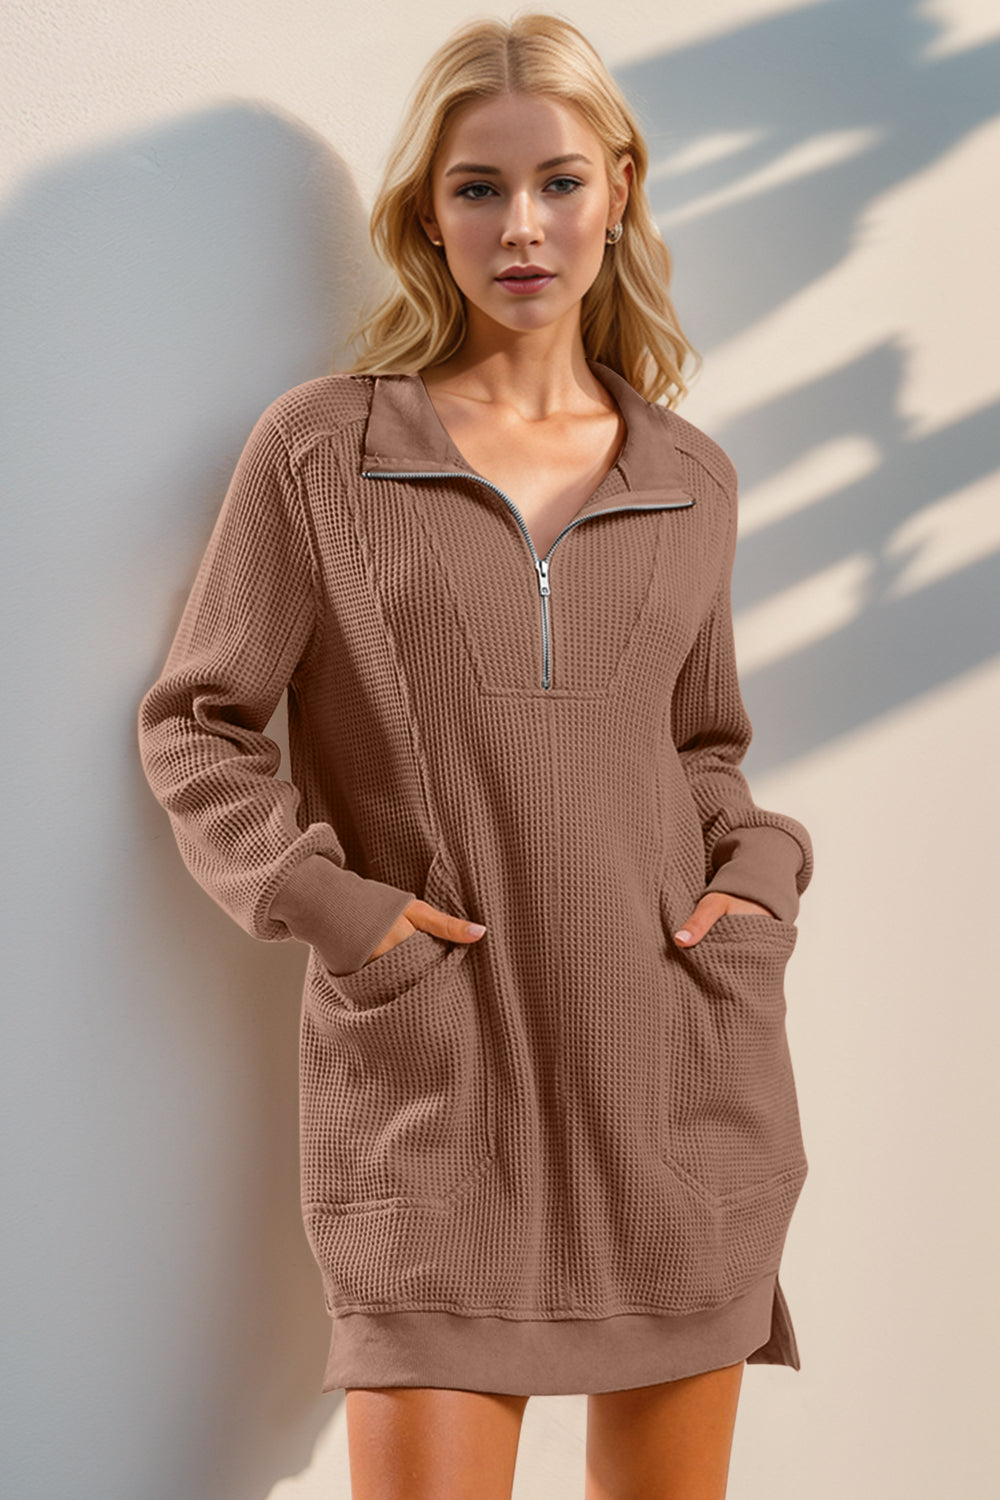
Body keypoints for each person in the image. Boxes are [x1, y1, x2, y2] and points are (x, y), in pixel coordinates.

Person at [137, 13, 815, 1499]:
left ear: (619, 191)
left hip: (673, 1084)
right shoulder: (323, 453)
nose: (522, 226)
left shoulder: (688, 476)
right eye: (478, 188)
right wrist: (332, 906)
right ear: (426, 214)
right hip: (437, 1094)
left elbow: (703, 747)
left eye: (559, 182)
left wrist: (761, 878)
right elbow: (198, 719)